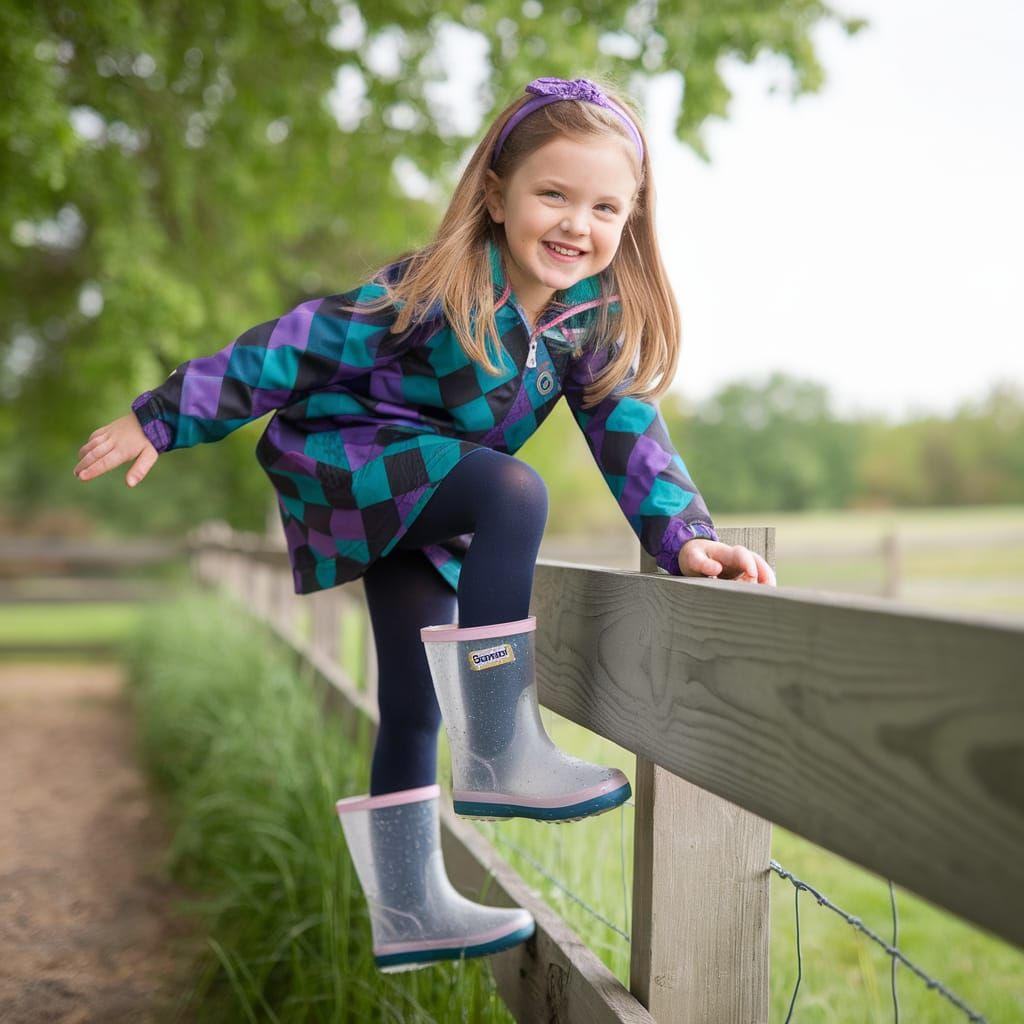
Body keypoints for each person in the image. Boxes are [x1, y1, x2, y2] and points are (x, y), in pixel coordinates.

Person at [75, 76, 775, 972]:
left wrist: (683, 535)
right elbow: (293, 347)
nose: (576, 224)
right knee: (515, 493)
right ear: (496, 193)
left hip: (420, 504)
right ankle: (500, 747)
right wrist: (164, 415)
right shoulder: (434, 287)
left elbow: (629, 432)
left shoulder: (585, 327)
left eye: (605, 207)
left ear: (631, 221)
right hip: (355, 465)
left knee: (411, 702)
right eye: (552, 194)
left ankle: (411, 909)